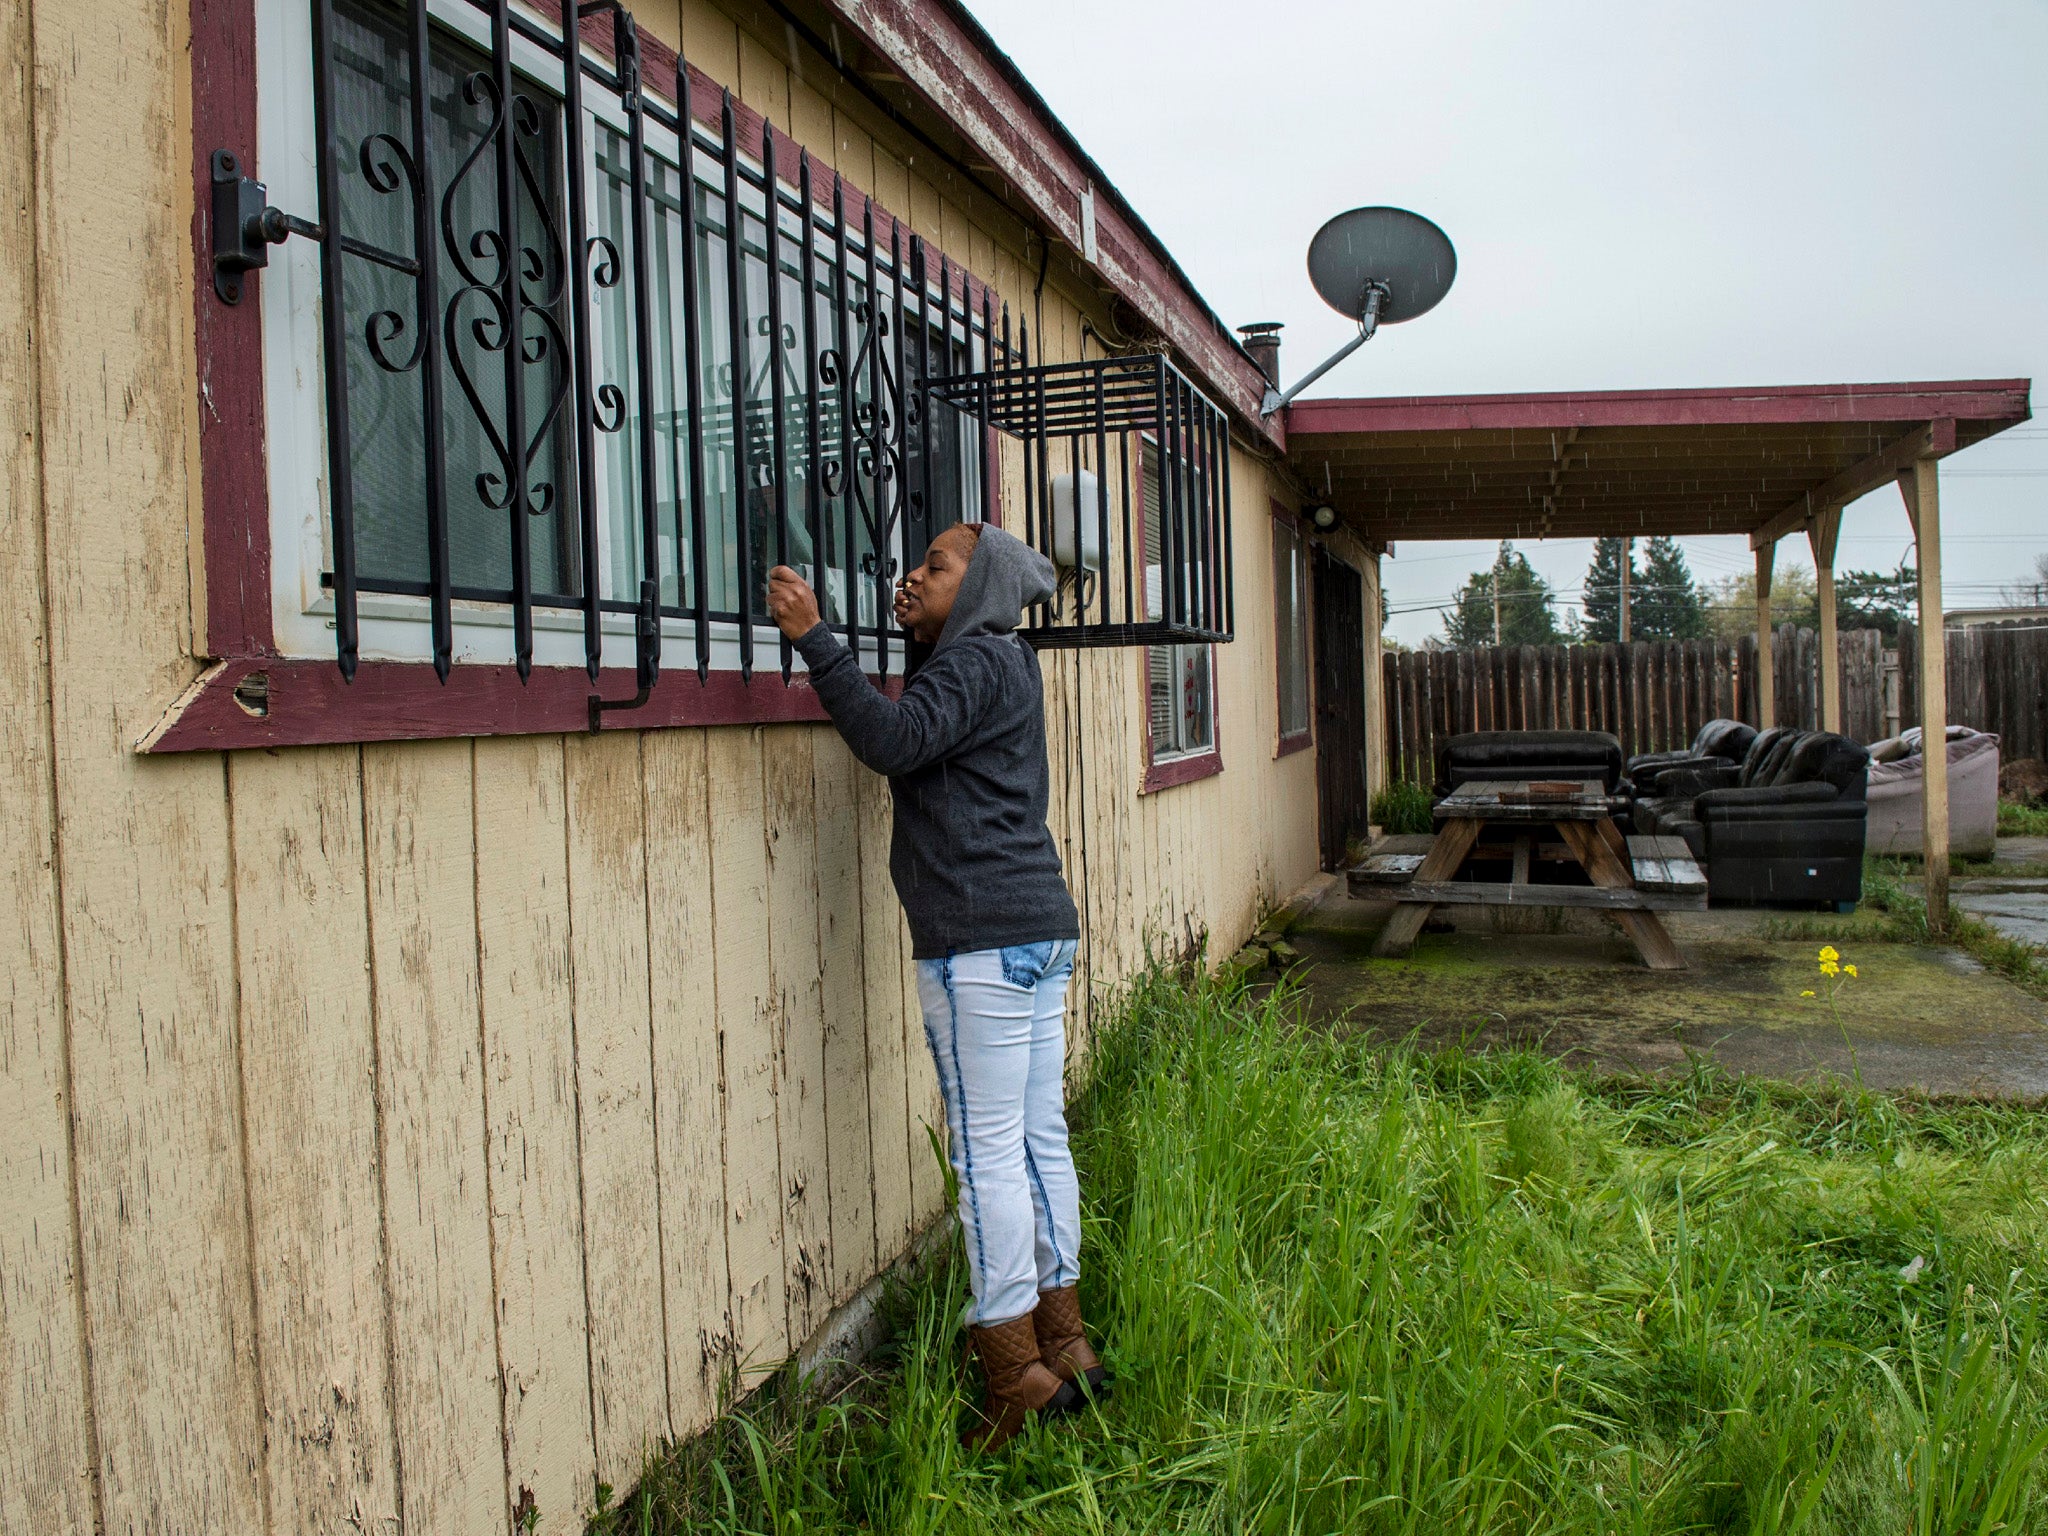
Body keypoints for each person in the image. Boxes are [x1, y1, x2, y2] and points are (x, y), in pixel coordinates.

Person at [766, 522, 1107, 1452]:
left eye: (936, 566)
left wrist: (813, 636)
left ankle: (1010, 1377)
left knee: (988, 1153)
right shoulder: (1008, 664)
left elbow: (892, 739)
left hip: (979, 941)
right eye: (913, 564)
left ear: (983, 584)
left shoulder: (968, 666)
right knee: (1039, 1140)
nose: (912, 578)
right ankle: (1066, 1343)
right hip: (1038, 927)